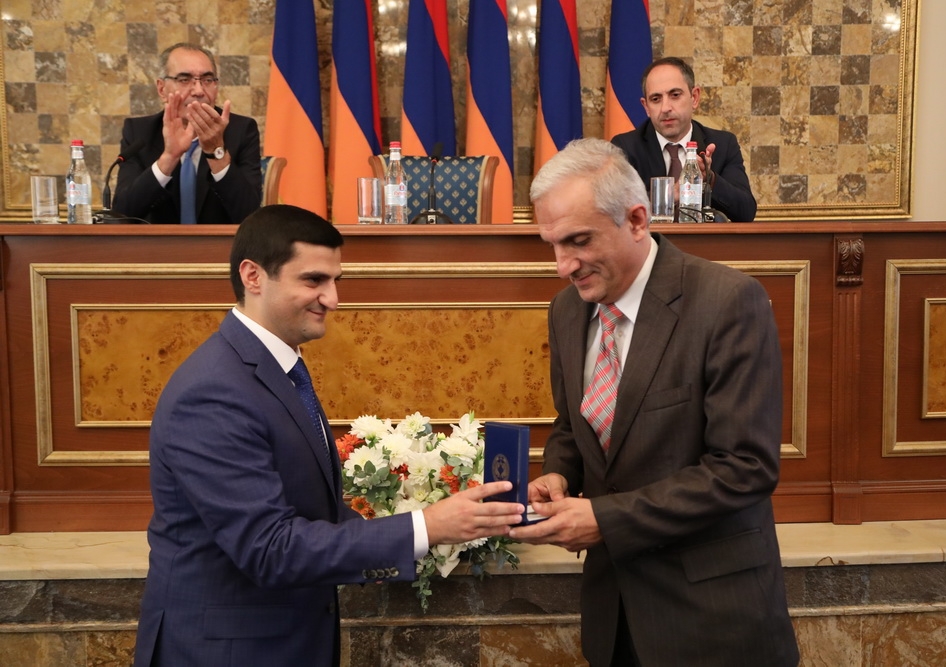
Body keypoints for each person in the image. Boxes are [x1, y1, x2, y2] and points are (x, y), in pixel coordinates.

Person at [133, 204, 525, 666]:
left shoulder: (278, 366)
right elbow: (269, 549)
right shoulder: (213, 391)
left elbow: (315, 512)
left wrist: (442, 526)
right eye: (314, 280)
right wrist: (427, 526)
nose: (333, 299)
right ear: (253, 276)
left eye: (336, 280)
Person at [509, 139, 798, 666]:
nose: (562, 266)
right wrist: (559, 473)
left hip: (711, 621)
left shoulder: (727, 301)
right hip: (613, 616)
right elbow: (573, 424)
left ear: (637, 219)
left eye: (578, 241)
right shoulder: (567, 310)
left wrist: (604, 519)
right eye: (551, 244)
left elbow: (745, 468)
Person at [112, 43, 262, 224]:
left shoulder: (241, 130)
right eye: (184, 80)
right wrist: (169, 158)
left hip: (220, 242)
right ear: (161, 89)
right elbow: (123, 214)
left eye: (207, 80)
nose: (198, 91)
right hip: (158, 242)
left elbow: (250, 216)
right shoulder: (139, 132)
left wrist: (216, 152)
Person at [610, 56, 757, 222]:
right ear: (646, 107)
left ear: (694, 97)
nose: (665, 108)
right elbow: (614, 210)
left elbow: (746, 212)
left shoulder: (723, 144)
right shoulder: (625, 147)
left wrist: (710, 179)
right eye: (656, 99)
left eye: (675, 95)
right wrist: (670, 195)